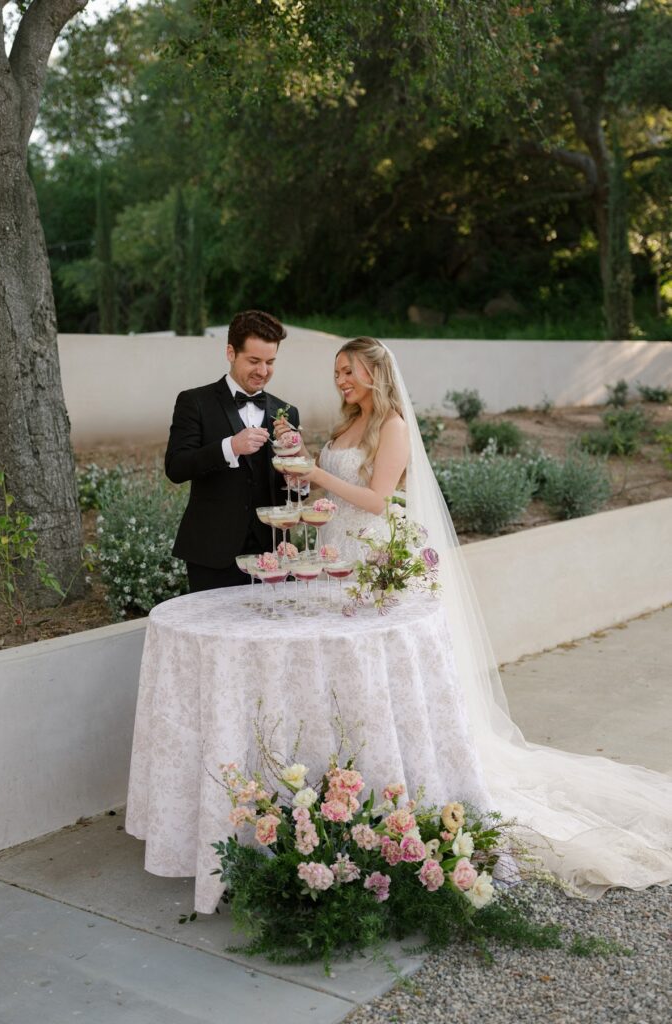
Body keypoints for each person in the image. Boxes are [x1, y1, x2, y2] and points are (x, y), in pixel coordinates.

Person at [276, 336, 672, 898]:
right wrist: (303, 506)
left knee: (371, 668)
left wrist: (317, 478)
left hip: (368, 562)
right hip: (333, 559)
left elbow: (375, 497)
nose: (339, 379)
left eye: (349, 370)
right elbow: (333, 504)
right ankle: (340, 766)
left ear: (374, 372)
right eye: (336, 370)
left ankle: (384, 769)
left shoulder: (391, 427)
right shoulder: (343, 428)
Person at [166, 310, 301, 591]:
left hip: (273, 552)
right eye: (254, 361)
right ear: (230, 352)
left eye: (270, 362)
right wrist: (230, 447)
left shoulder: (286, 412)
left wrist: (298, 479)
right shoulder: (194, 402)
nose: (263, 371)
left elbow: (289, 488)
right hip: (213, 553)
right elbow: (176, 467)